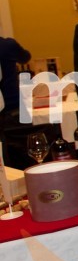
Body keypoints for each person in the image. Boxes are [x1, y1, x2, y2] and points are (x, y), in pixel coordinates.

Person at [0, 36, 32, 168]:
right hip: (13, 104)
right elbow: (25, 57)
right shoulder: (7, 45)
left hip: (8, 107)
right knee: (25, 151)